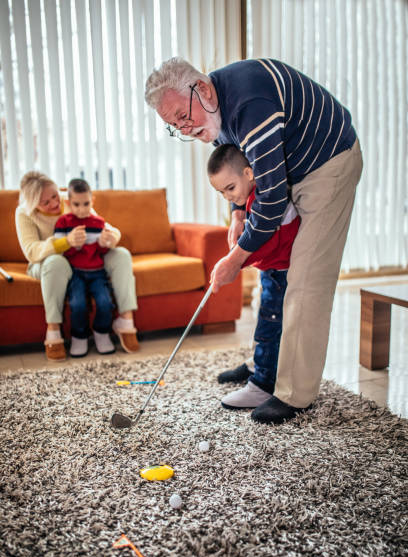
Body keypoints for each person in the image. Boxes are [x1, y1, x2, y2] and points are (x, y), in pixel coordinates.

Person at [145, 57, 363, 424]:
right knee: (273, 275)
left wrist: (235, 259)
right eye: (174, 125)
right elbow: (238, 165)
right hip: (290, 167)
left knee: (307, 278)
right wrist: (238, 214)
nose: (185, 129)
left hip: (327, 163)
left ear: (202, 89)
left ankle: (294, 394)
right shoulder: (213, 113)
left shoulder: (249, 106)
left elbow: (273, 197)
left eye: (184, 116)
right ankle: (268, 360)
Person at [207, 144, 300, 408]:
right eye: (221, 192)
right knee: (264, 317)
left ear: (249, 174)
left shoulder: (268, 201)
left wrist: (235, 262)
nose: (227, 197)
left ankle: (263, 384)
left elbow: (267, 243)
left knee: (269, 327)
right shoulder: (250, 198)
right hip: (271, 271)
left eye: (230, 188)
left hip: (281, 272)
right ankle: (260, 366)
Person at [16, 171, 139, 361]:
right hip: (47, 264)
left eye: (55, 196)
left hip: (86, 259)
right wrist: (65, 242)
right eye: (45, 203)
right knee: (57, 262)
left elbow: (103, 225)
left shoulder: (72, 200)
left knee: (121, 254)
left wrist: (111, 237)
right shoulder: (24, 213)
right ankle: (53, 330)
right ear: (33, 204)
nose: (55, 204)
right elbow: (31, 251)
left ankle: (125, 320)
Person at [54, 178, 115, 357]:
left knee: (105, 302)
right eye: (76, 204)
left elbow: (101, 250)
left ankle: (101, 333)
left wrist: (104, 243)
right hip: (76, 273)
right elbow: (60, 250)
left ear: (92, 201)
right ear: (68, 203)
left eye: (86, 204)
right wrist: (73, 245)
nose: (81, 209)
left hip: (97, 273)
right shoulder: (63, 223)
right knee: (77, 304)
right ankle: (79, 337)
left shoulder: (98, 222)